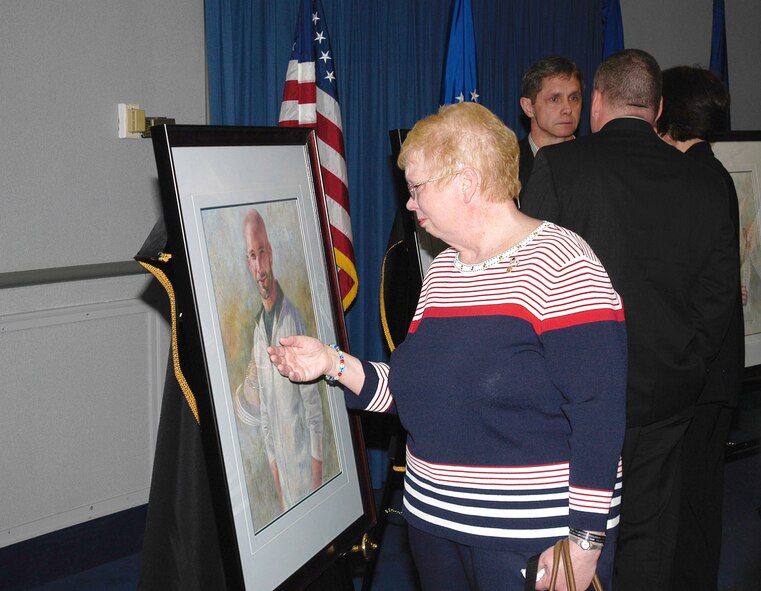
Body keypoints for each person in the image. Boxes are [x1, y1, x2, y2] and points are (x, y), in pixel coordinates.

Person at [268, 102, 627, 591]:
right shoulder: (444, 270)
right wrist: (331, 363)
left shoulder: (562, 262)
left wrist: (586, 539)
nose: (410, 204)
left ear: (466, 183)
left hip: (527, 539)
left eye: (417, 189)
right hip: (434, 526)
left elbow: (598, 413)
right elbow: (415, 390)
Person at [520, 49, 739, 590]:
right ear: (658, 107)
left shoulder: (560, 170)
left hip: (576, 400)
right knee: (649, 540)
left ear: (596, 102)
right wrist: (687, 367)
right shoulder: (706, 181)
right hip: (669, 395)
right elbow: (718, 299)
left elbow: (527, 287)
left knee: (575, 536)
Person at [657, 65, 743, 590]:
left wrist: (684, 366)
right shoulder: (714, 173)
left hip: (698, 374)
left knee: (690, 505)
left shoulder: (693, 178)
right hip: (715, 371)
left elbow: (703, 293)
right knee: (699, 500)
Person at [241, 208, 324, 512]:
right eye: (252, 256)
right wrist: (277, 482)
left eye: (262, 252)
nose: (259, 266)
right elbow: (264, 415)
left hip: (305, 474)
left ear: (271, 253)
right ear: (248, 263)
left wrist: (317, 486)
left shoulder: (292, 321)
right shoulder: (257, 333)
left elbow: (313, 408)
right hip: (285, 486)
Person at [517, 55, 583, 194]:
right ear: (528, 107)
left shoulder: (596, 161)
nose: (567, 109)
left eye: (573, 98)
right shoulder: (507, 166)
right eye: (554, 99)